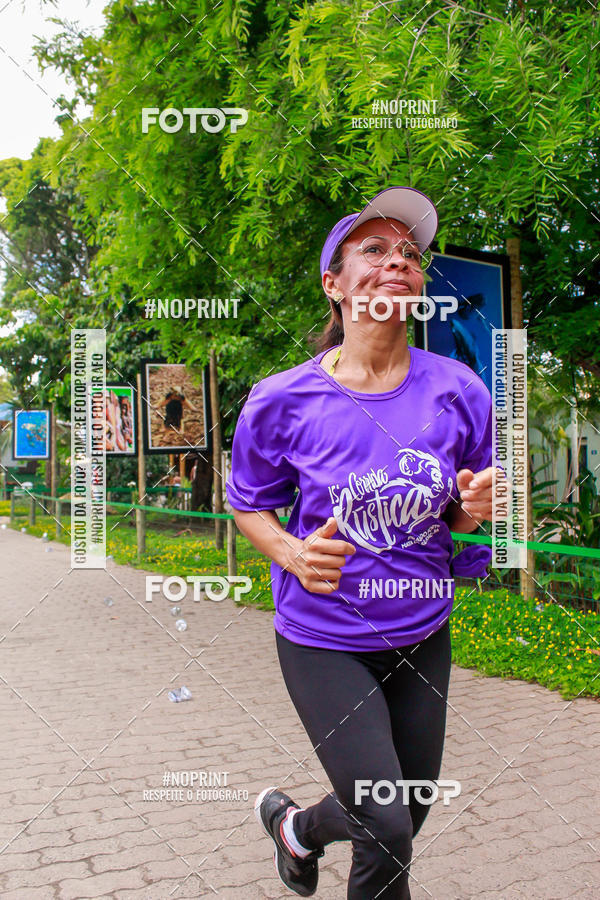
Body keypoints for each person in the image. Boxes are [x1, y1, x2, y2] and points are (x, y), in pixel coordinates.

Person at [226, 186, 505, 899]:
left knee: (406, 810)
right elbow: (248, 504)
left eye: (410, 254)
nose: (397, 262)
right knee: (385, 819)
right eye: (374, 250)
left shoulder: (461, 391)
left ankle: (297, 830)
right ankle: (309, 832)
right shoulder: (280, 400)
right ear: (335, 283)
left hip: (421, 630)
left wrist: (475, 509)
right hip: (324, 637)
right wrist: (289, 552)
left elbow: (462, 519)